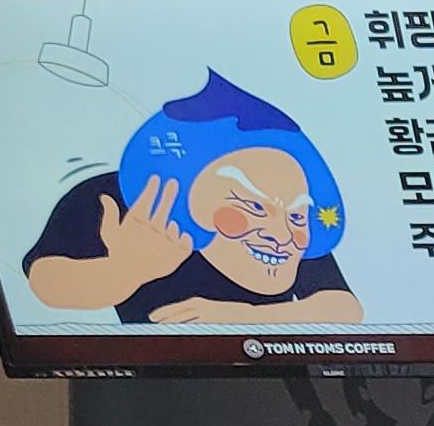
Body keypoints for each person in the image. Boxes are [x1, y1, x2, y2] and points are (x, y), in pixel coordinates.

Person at [22, 71, 362, 327]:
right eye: (255, 207)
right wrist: (124, 272)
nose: (281, 235)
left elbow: (343, 307)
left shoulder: (289, 215)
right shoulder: (123, 200)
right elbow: (46, 282)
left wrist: (242, 319)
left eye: (297, 217)